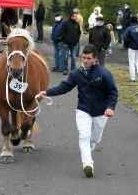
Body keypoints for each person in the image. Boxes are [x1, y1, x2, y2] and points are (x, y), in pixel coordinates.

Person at [38, 44, 118, 177]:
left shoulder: (104, 74)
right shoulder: (76, 73)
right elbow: (64, 87)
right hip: (83, 110)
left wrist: (110, 107)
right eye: (84, 58)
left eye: (88, 58)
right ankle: (88, 164)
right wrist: (46, 92)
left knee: (95, 138)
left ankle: (92, 143)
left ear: (95, 58)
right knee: (83, 136)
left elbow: (113, 92)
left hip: (101, 112)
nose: (85, 61)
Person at [123, 16, 138, 82]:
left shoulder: (129, 28)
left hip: (132, 47)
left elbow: (125, 38)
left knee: (131, 62)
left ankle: (133, 78)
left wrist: (128, 44)